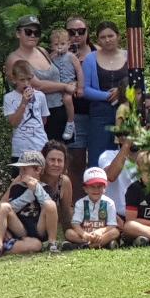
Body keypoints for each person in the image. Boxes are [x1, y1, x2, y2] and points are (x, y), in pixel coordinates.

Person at [5, 15, 72, 143]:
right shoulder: (14, 59)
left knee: (60, 157)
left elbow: (60, 70)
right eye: (28, 32)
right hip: (35, 116)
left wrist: (73, 81)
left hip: (59, 109)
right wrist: (65, 86)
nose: (33, 36)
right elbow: (37, 86)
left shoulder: (42, 51)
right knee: (40, 158)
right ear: (18, 34)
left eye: (37, 33)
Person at [81, 21, 129, 167]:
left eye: (111, 36)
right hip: (99, 112)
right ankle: (97, 188)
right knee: (98, 156)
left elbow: (141, 85)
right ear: (97, 40)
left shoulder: (130, 56)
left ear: (118, 36)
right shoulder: (90, 59)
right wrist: (107, 96)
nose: (107, 40)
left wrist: (122, 93)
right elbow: (85, 89)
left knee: (126, 154)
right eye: (103, 37)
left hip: (127, 111)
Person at [0, 151, 59, 256]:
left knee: (50, 204)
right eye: (20, 169)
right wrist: (29, 194)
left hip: (39, 228)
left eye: (24, 169)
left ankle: (52, 243)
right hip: (21, 228)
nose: (21, 173)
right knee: (3, 206)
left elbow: (50, 208)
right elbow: (12, 208)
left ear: (38, 169)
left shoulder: (47, 188)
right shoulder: (17, 187)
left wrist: (37, 189)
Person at [64, 16, 96, 179]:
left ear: (87, 32)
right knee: (76, 163)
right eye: (72, 32)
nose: (76, 35)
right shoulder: (59, 55)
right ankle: (76, 203)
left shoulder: (98, 52)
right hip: (74, 114)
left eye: (81, 31)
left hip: (97, 113)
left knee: (97, 164)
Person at [3, 60, 50, 162]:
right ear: (14, 79)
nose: (26, 83)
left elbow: (43, 120)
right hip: (20, 149)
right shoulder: (9, 98)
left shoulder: (40, 96)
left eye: (29, 79)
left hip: (40, 145)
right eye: (22, 80)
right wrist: (24, 102)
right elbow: (14, 123)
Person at [65, 166, 121, 250]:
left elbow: (112, 225)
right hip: (86, 234)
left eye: (99, 186)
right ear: (85, 189)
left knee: (115, 232)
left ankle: (84, 246)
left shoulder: (109, 203)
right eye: (92, 186)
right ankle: (102, 244)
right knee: (68, 233)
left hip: (102, 234)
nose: (96, 190)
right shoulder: (80, 203)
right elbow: (75, 224)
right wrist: (84, 234)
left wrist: (101, 231)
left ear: (105, 188)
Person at [48, 29, 83, 143]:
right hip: (57, 85)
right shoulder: (51, 58)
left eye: (62, 44)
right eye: (56, 44)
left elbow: (79, 72)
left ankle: (70, 122)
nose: (60, 47)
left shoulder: (71, 56)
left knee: (67, 98)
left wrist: (80, 87)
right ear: (52, 45)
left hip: (69, 84)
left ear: (68, 44)